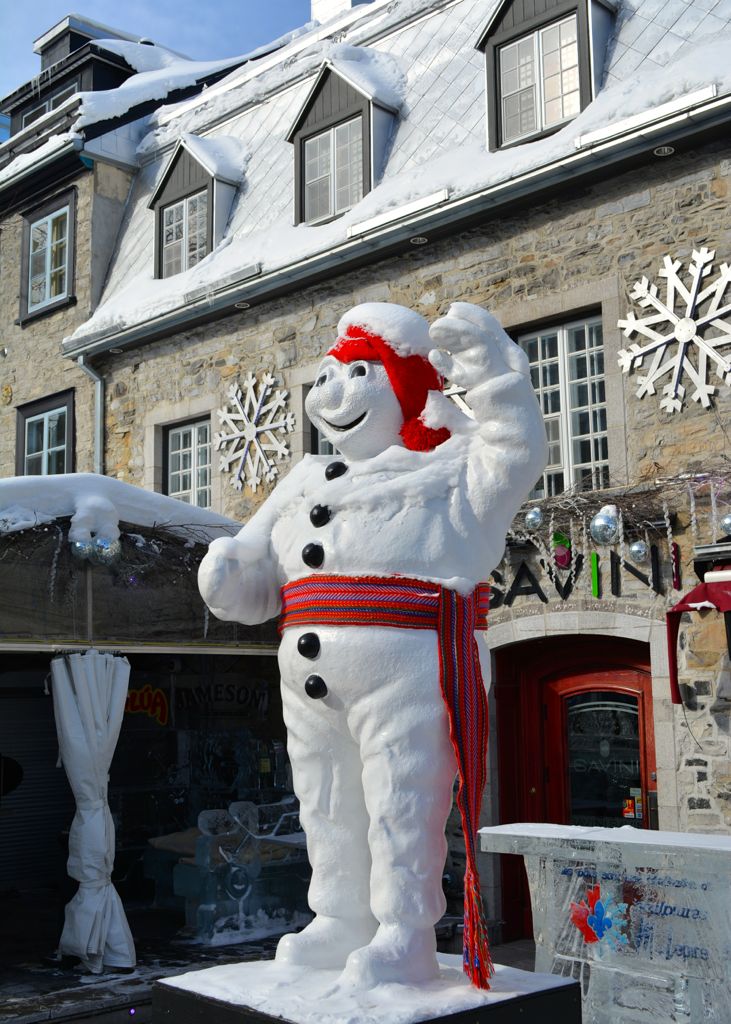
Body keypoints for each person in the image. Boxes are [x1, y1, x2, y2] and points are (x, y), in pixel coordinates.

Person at [199, 302, 546, 988]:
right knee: (324, 799)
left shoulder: (451, 472)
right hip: (309, 683)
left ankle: (404, 931)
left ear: (403, 386)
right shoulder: (302, 480)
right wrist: (228, 581)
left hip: (409, 673)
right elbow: (269, 585)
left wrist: (488, 372)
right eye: (329, 375)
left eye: (359, 374)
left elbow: (515, 448)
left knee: (402, 799)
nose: (333, 392)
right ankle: (339, 915)